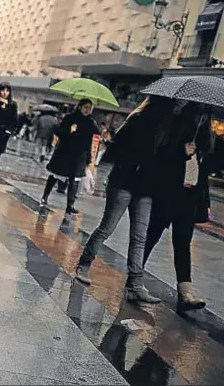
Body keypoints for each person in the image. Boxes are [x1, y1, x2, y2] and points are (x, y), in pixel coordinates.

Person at [74, 97, 181, 304]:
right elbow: (115, 149)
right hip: (123, 181)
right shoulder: (138, 120)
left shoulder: (171, 129)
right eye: (174, 105)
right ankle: (84, 264)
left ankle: (135, 284)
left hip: (146, 188)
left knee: (140, 237)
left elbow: (166, 162)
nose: (176, 110)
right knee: (107, 227)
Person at [142, 101, 211, 311]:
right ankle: (134, 278)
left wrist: (205, 203)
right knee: (150, 237)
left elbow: (204, 174)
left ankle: (185, 293)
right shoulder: (174, 128)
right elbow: (158, 160)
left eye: (207, 115)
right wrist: (181, 151)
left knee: (182, 243)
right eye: (200, 113)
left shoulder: (205, 139)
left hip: (189, 199)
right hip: (168, 194)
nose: (203, 118)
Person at [40, 98, 99, 214]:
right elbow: (59, 132)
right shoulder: (69, 118)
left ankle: (70, 205)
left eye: (90, 108)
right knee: (55, 176)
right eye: (85, 107)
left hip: (79, 155)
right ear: (79, 107)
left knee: (74, 180)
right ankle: (45, 196)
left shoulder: (90, 123)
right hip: (64, 153)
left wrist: (89, 158)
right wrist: (70, 131)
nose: (87, 110)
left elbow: (89, 141)